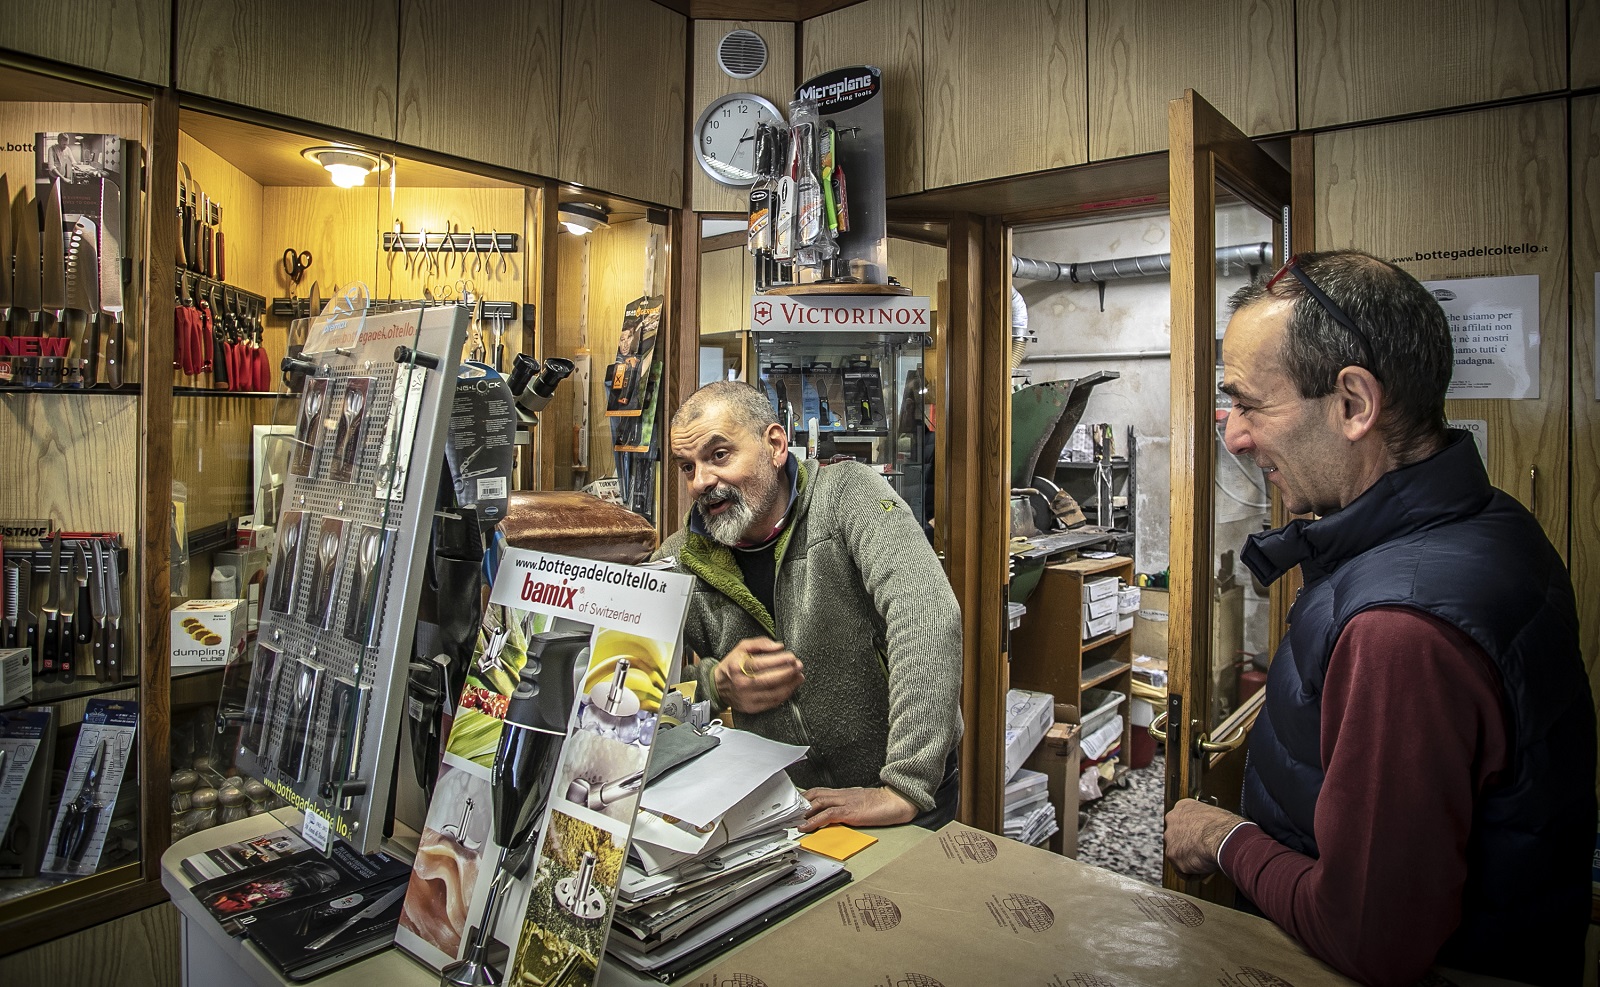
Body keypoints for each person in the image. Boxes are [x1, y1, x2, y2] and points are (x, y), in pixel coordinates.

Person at [1163, 250, 1594, 986]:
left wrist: (1226, 837)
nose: (1234, 436)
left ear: (1355, 404)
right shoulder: (1489, 521)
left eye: (1250, 403)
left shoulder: (1400, 629)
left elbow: (1370, 935)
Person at [656, 380, 963, 832]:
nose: (700, 482)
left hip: (900, 797)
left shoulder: (847, 495)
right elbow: (632, 684)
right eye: (687, 467)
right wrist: (714, 683)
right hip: (785, 809)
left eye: (719, 455)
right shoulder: (681, 559)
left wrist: (903, 787)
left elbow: (926, 615)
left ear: (775, 445)